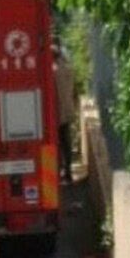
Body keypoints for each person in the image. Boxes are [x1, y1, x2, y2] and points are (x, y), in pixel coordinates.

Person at [54, 44, 79, 183]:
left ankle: (60, 171)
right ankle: (68, 172)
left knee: (56, 144)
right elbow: (74, 91)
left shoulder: (52, 70)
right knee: (66, 143)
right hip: (67, 112)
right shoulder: (68, 69)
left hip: (55, 114)